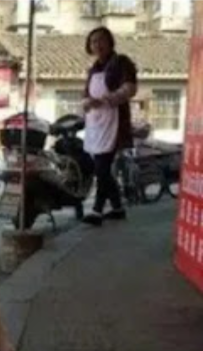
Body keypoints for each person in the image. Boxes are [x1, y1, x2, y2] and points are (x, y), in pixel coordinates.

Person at [81, 27, 137, 226]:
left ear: (110, 42)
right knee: (101, 168)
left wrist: (107, 99)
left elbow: (130, 88)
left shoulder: (121, 62)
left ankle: (96, 210)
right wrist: (87, 103)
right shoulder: (93, 69)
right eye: (94, 41)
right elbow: (85, 95)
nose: (98, 45)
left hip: (114, 123)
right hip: (96, 124)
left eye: (101, 40)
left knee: (102, 169)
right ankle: (117, 208)